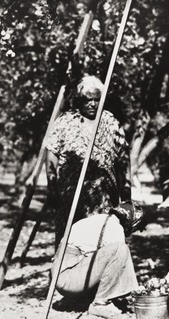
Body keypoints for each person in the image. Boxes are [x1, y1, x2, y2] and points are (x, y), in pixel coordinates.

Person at [46, 75, 131, 246]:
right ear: (79, 100)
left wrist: (126, 193)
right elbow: (51, 155)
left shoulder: (110, 122)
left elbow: (123, 159)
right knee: (70, 243)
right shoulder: (66, 122)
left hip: (103, 197)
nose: (92, 104)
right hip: (72, 196)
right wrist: (52, 185)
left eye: (96, 100)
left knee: (100, 243)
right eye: (87, 100)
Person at [52, 201, 144, 319]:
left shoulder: (96, 220)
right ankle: (100, 304)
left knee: (108, 258)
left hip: (62, 276)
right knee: (120, 250)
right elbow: (119, 264)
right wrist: (137, 292)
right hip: (69, 279)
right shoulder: (113, 226)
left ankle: (76, 300)